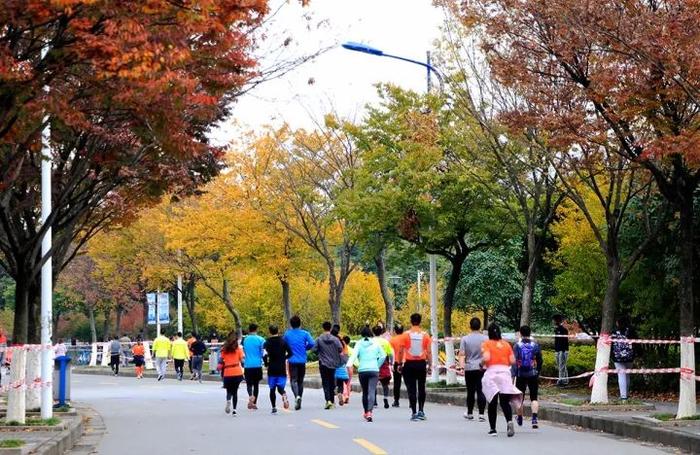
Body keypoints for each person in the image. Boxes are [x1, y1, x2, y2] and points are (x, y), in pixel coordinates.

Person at [481, 323, 522, 437]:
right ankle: (509, 421)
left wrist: (481, 364)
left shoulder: (487, 343)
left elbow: (487, 358)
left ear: (489, 333)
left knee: (492, 402)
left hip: (492, 373)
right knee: (504, 402)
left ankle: (493, 429)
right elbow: (513, 360)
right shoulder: (506, 344)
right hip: (505, 373)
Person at [347, 326, 386, 422]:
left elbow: (353, 356)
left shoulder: (359, 344)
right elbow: (383, 355)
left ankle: (365, 411)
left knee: (365, 392)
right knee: (372, 390)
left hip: (363, 370)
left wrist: (349, 365)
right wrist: (377, 365)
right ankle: (370, 412)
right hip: (374, 370)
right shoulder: (376, 343)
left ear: (361, 334)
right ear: (370, 334)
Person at [398, 313, 432, 421]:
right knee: (421, 387)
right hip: (421, 364)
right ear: (420, 321)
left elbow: (400, 351)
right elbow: (429, 352)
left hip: (409, 364)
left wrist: (399, 363)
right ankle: (421, 410)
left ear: (411, 321)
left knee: (411, 389)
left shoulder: (405, 335)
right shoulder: (425, 335)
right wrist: (430, 364)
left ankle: (413, 412)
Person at [458, 317, 487, 421]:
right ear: (480, 326)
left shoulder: (465, 339)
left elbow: (462, 355)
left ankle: (470, 413)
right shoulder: (485, 339)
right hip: (482, 368)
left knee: (470, 391)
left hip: (469, 368)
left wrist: (461, 367)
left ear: (470, 326)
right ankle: (481, 414)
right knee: (481, 390)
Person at [514, 325, 543, 429]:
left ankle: (520, 417)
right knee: (534, 398)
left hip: (520, 374)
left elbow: (514, 361)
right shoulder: (535, 345)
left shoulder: (517, 345)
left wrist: (514, 374)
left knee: (519, 398)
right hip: (532, 374)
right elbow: (540, 360)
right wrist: (538, 371)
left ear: (520, 333)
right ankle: (534, 419)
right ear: (530, 333)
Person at [283, 315, 315, 410]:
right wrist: (306, 348)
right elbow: (312, 343)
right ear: (300, 323)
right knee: (300, 380)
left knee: (293, 380)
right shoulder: (305, 333)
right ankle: (299, 397)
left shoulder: (287, 334)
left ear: (291, 324)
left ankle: (297, 396)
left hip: (292, 360)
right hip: (302, 360)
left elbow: (283, 344)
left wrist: (288, 349)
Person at [314, 321, 343, 409]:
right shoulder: (335, 339)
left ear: (323, 328)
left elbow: (314, 349)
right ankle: (333, 401)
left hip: (323, 363)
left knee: (325, 382)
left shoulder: (319, 339)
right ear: (330, 328)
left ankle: (328, 401)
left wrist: (320, 353)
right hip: (333, 364)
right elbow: (340, 349)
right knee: (331, 382)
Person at [263, 325, 292, 414]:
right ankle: (283, 394)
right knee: (280, 387)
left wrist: (266, 364)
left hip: (272, 367)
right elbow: (291, 353)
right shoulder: (283, 341)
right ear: (278, 330)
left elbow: (264, 355)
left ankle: (274, 408)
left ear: (269, 331)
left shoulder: (267, 342)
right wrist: (284, 357)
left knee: (272, 389)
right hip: (281, 368)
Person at [218, 332, 245, 416]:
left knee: (229, 390)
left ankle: (228, 400)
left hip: (227, 372)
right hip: (237, 371)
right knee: (235, 391)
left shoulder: (224, 350)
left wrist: (219, 368)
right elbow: (242, 361)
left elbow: (221, 361)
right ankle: (234, 410)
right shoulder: (239, 349)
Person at [611, 316, 636, 401]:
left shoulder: (614, 331)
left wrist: (611, 355)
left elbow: (610, 344)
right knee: (627, 375)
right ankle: (626, 394)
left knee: (621, 375)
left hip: (617, 357)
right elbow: (636, 343)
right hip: (629, 357)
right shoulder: (631, 330)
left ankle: (623, 397)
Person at [242, 323, 265, 410]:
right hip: (257, 364)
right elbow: (263, 352)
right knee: (256, 385)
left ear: (249, 329)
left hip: (248, 365)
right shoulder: (261, 339)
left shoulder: (245, 340)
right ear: (256, 329)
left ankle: (250, 395)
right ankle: (254, 402)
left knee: (249, 384)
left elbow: (244, 350)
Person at [372, 325, 394, 409]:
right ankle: (385, 398)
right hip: (384, 362)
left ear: (373, 332)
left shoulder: (371, 341)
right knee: (385, 383)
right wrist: (391, 363)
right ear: (381, 332)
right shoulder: (385, 342)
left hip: (374, 363)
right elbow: (390, 354)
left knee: (373, 383)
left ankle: (374, 402)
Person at [390, 324, 404, 407]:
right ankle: (411, 401)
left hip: (396, 362)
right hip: (406, 362)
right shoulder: (406, 339)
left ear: (395, 331)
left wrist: (391, 364)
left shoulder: (392, 340)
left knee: (397, 383)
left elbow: (391, 353)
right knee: (409, 382)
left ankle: (396, 401)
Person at [552, 314, 569, 386]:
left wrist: (563, 351)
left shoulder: (564, 330)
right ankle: (565, 379)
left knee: (562, 365)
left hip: (563, 350)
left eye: (554, 320)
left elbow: (565, 341)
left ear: (557, 320)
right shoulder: (556, 330)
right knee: (560, 366)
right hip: (557, 350)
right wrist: (556, 350)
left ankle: (561, 380)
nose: (553, 321)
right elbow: (556, 341)